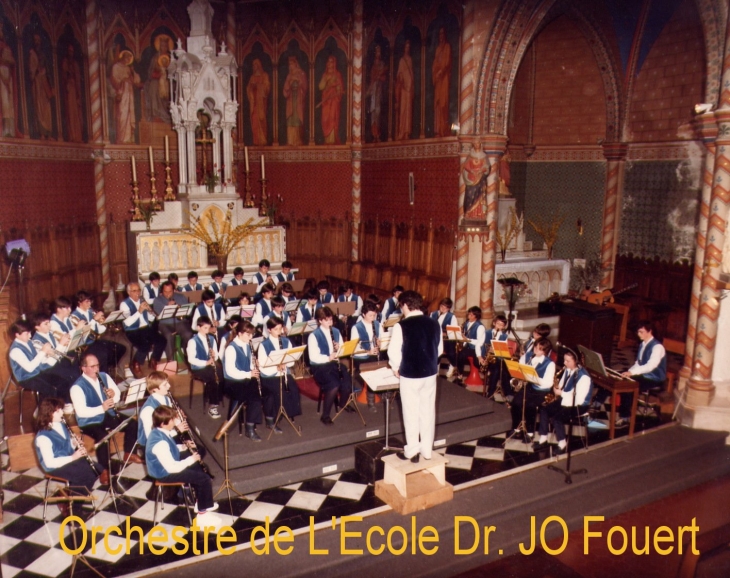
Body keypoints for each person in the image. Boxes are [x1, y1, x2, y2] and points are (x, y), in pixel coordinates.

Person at [387, 290, 442, 462]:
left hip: (410, 375)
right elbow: (439, 350)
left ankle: (412, 451)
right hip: (430, 374)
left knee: (411, 413)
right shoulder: (434, 323)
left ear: (405, 305)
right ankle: (426, 450)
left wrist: (395, 367)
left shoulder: (401, 326)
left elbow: (393, 352)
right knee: (427, 412)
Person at [146, 405, 221, 529]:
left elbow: (171, 449)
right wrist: (190, 459)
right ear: (164, 423)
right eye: (172, 420)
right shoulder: (160, 443)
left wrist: (183, 447)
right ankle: (202, 515)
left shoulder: (160, 431)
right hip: (164, 473)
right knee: (203, 478)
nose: (175, 421)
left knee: (200, 468)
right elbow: (172, 468)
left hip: (168, 465)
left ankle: (201, 503)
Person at [71, 353, 141, 486]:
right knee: (103, 437)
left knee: (133, 423)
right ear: (83, 368)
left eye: (97, 365)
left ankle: (129, 453)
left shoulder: (104, 376)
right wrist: (102, 408)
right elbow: (82, 412)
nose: (96, 369)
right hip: (89, 421)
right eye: (92, 366)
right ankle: (104, 470)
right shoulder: (77, 387)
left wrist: (113, 395)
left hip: (107, 414)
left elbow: (117, 396)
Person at [35, 398, 99, 497]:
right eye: (58, 411)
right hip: (55, 466)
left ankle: (68, 495)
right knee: (85, 474)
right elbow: (50, 462)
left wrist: (74, 443)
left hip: (68, 458)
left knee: (97, 469)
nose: (62, 412)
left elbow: (65, 444)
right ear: (49, 413)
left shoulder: (60, 424)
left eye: (61, 409)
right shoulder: (43, 437)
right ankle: (74, 505)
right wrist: (74, 457)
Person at [534, 350, 593, 455]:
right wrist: (557, 388)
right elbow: (562, 385)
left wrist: (561, 393)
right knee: (544, 410)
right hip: (565, 399)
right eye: (564, 360)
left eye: (568, 361)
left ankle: (562, 443)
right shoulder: (568, 369)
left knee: (557, 418)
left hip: (579, 405)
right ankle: (543, 438)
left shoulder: (584, 377)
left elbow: (578, 399)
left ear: (576, 361)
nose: (565, 363)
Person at [616, 321, 667, 426]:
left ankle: (625, 418)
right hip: (644, 374)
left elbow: (650, 366)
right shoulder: (643, 344)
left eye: (641, 332)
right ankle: (597, 404)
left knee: (628, 387)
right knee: (618, 376)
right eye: (638, 332)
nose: (639, 334)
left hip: (654, 378)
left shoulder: (657, 347)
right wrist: (629, 372)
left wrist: (632, 372)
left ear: (650, 331)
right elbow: (638, 363)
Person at [309, 307, 353, 425]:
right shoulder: (314, 336)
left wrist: (339, 348)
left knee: (347, 383)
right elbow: (313, 357)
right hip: (320, 366)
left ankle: (342, 404)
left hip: (334, 363)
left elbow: (343, 351)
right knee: (334, 385)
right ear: (320, 321)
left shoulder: (336, 331)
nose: (330, 322)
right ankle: (325, 415)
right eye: (327, 320)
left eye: (331, 319)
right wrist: (328, 357)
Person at [258, 317, 302, 430]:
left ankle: (285, 412)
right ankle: (270, 419)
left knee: (293, 389)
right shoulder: (264, 345)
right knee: (277, 391)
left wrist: (285, 364)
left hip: (284, 373)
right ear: (269, 330)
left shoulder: (286, 341)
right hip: (269, 376)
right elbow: (262, 365)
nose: (279, 331)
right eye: (276, 329)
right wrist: (276, 368)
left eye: (280, 328)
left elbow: (292, 360)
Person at [223, 320, 264, 441]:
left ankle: (256, 420)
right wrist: (249, 373)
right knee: (254, 397)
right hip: (232, 382)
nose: (251, 337)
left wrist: (255, 366)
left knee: (262, 392)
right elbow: (230, 371)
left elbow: (249, 364)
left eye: (252, 334)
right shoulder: (231, 348)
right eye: (248, 334)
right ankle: (249, 428)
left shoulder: (247, 345)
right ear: (240, 333)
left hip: (245, 378)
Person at [509, 338, 555, 442]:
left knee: (530, 405)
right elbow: (519, 367)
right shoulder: (527, 356)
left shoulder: (549, 364)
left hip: (542, 390)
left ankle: (530, 433)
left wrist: (533, 378)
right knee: (516, 402)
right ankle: (516, 428)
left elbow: (549, 383)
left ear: (545, 351)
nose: (535, 350)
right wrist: (516, 377)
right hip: (529, 386)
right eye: (535, 347)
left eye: (539, 349)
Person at [9, 318, 66, 403]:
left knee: (62, 382)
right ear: (17, 335)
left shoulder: (28, 342)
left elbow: (39, 359)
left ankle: (59, 408)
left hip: (37, 373)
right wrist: (43, 352)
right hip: (26, 378)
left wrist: (47, 354)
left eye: (30, 333)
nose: (30, 336)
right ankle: (47, 413)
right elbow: (30, 368)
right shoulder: (15, 350)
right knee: (50, 390)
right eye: (27, 334)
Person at [72, 290, 126, 375]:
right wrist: (94, 320)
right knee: (103, 355)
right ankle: (102, 376)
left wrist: (103, 323)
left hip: (94, 341)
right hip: (84, 346)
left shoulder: (90, 311)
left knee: (120, 348)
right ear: (79, 302)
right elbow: (82, 334)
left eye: (90, 301)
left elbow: (100, 331)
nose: (89, 303)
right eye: (87, 301)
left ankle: (108, 370)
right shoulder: (74, 316)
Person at [121, 282, 166, 378]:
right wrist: (139, 311)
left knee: (162, 340)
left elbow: (150, 319)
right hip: (132, 330)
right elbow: (127, 323)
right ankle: (135, 363)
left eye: (138, 290)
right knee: (145, 344)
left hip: (145, 328)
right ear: (129, 292)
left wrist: (151, 312)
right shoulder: (124, 304)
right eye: (134, 291)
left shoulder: (142, 301)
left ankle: (154, 360)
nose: (137, 292)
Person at [186, 316, 224, 419]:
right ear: (198, 327)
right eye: (205, 328)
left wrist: (214, 354)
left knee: (222, 374)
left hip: (210, 365)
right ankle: (213, 406)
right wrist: (206, 362)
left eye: (208, 328)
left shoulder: (211, 338)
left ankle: (216, 396)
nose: (207, 331)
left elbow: (216, 356)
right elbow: (191, 359)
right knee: (213, 378)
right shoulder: (193, 341)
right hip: (198, 367)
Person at [153, 281, 193, 364]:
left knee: (188, 334)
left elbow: (188, 310)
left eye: (170, 291)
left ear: (174, 290)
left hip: (180, 322)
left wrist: (178, 307)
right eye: (165, 291)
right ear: (161, 291)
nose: (167, 294)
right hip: (165, 323)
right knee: (168, 336)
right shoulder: (157, 300)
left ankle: (190, 357)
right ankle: (171, 361)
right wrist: (167, 307)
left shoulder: (181, 297)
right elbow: (158, 315)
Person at [352, 300, 381, 412]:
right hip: (361, 357)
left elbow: (381, 341)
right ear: (363, 314)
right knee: (371, 372)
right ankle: (370, 401)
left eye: (374, 315)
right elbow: (354, 348)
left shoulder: (377, 324)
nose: (373, 318)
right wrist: (368, 352)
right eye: (370, 315)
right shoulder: (356, 327)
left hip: (374, 354)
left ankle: (382, 392)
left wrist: (379, 343)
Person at [109, 49, 139, 144]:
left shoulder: (128, 69)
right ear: (123, 57)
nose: (128, 60)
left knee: (130, 114)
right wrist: (123, 81)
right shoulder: (116, 67)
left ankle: (129, 138)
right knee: (122, 114)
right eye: (127, 57)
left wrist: (132, 72)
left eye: (129, 58)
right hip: (122, 92)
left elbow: (136, 81)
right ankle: (121, 138)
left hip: (129, 93)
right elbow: (114, 79)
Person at [28, 33, 54, 139]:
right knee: (39, 108)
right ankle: (42, 133)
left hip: (44, 83)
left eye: (38, 40)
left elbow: (48, 70)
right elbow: (31, 69)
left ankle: (48, 132)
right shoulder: (32, 54)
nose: (37, 42)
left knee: (47, 109)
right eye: (35, 40)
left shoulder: (43, 55)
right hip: (37, 82)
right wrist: (36, 70)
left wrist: (52, 85)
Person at [144, 34, 172, 123]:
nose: (163, 47)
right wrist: (158, 74)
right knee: (153, 85)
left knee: (174, 87)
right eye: (162, 45)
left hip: (169, 80)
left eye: (165, 46)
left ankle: (171, 115)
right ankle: (156, 113)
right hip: (157, 80)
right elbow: (150, 73)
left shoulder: (172, 58)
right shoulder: (155, 58)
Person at [485, 315, 512, 399]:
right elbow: (482, 345)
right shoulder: (487, 333)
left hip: (499, 358)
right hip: (489, 358)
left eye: (502, 325)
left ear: (504, 327)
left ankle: (491, 392)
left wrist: (497, 350)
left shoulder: (504, 336)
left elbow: (504, 351)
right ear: (494, 323)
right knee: (499, 370)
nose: (499, 326)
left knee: (500, 369)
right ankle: (507, 392)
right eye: (498, 324)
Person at [318, 55, 343, 144]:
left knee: (332, 118)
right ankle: (327, 140)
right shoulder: (325, 75)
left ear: (334, 64)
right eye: (328, 62)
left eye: (331, 62)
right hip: (326, 100)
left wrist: (336, 89)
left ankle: (332, 140)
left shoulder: (337, 75)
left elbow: (340, 89)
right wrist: (327, 83)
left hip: (334, 100)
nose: (330, 64)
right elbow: (320, 87)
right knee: (325, 119)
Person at [61, 43, 83, 142]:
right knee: (70, 112)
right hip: (69, 90)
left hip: (75, 89)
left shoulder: (75, 64)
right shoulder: (65, 62)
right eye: (69, 51)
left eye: (72, 52)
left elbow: (78, 77)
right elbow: (64, 76)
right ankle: (72, 135)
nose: (71, 53)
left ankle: (77, 136)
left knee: (76, 114)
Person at [456, 306, 486, 379]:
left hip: (477, 348)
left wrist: (467, 339)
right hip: (468, 346)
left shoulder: (480, 327)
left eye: (471, 315)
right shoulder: (467, 323)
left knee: (476, 363)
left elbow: (479, 342)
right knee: (460, 355)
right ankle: (460, 373)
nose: (469, 316)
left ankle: (486, 371)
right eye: (468, 314)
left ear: (476, 317)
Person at [283, 56, 307, 146]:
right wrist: (290, 83)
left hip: (298, 101)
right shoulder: (289, 76)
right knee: (290, 119)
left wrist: (298, 81)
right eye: (289, 64)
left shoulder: (301, 74)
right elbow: (285, 90)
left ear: (296, 64)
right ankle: (290, 141)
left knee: (297, 119)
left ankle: (297, 140)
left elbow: (304, 87)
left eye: (292, 64)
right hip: (290, 101)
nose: (290, 66)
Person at [432, 27, 451, 137]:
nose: (441, 36)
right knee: (438, 104)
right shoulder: (438, 49)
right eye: (439, 34)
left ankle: (444, 129)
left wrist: (441, 71)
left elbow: (447, 62)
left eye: (443, 34)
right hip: (438, 80)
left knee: (444, 104)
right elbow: (435, 63)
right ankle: (438, 130)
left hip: (444, 79)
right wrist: (435, 73)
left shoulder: (447, 47)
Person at [430, 298, 456, 377]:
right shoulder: (433, 314)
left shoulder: (451, 317)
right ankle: (436, 367)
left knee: (450, 351)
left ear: (449, 308)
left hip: (447, 339)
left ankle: (452, 365)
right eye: (442, 306)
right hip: (435, 338)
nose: (443, 309)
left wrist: (446, 334)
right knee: (434, 351)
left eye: (446, 307)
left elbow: (453, 331)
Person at [0, 27, 18, 137]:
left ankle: (10, 130)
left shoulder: (7, 48)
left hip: (8, 76)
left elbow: (12, 62)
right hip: (1, 75)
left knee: (9, 104)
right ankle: (4, 129)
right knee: (4, 103)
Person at [366, 44, 387, 142]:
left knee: (377, 112)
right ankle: (374, 134)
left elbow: (383, 78)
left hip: (378, 92)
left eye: (380, 51)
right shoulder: (373, 66)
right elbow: (371, 79)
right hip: (373, 92)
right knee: (373, 112)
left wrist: (379, 78)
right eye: (377, 51)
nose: (378, 53)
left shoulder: (382, 64)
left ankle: (377, 135)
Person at [247, 58, 270, 145]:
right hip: (254, 103)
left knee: (262, 119)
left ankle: (262, 140)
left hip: (261, 104)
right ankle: (256, 141)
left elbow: (267, 88)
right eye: (253, 65)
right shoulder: (252, 77)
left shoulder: (264, 76)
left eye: (255, 65)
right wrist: (252, 89)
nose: (254, 67)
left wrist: (259, 86)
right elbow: (248, 89)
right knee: (254, 120)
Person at [395, 39, 414, 140]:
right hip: (403, 88)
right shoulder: (402, 60)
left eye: (409, 47)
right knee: (403, 110)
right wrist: (401, 79)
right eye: (406, 47)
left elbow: (411, 73)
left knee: (408, 110)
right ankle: (401, 131)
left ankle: (407, 132)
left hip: (409, 87)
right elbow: (399, 73)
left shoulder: (410, 59)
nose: (407, 48)